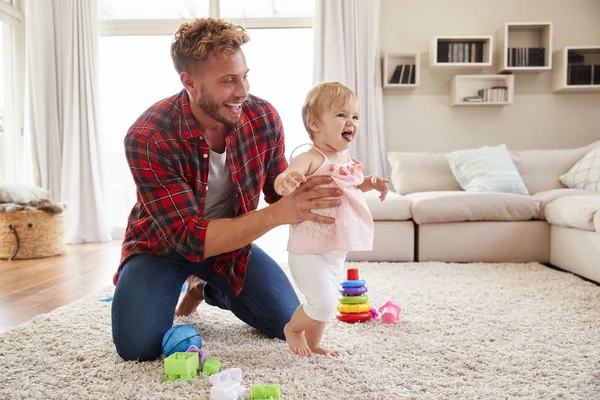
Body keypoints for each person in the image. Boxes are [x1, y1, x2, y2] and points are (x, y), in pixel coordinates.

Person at [111, 18, 343, 362]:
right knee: (138, 348)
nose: (243, 91)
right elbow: (189, 237)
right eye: (228, 81)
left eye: (245, 76)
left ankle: (207, 287)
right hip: (160, 248)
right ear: (189, 82)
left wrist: (309, 180)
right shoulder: (149, 136)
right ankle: (179, 283)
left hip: (231, 247)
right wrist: (280, 213)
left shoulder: (262, 117)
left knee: (291, 325)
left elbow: (276, 190)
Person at [274, 82, 389, 357]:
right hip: (309, 250)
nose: (350, 122)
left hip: (335, 249)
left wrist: (370, 182)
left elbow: (352, 187)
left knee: (325, 301)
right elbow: (284, 178)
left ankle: (315, 344)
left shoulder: (346, 160)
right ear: (315, 123)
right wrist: (287, 181)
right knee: (323, 304)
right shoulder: (311, 157)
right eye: (341, 115)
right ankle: (293, 329)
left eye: (355, 116)